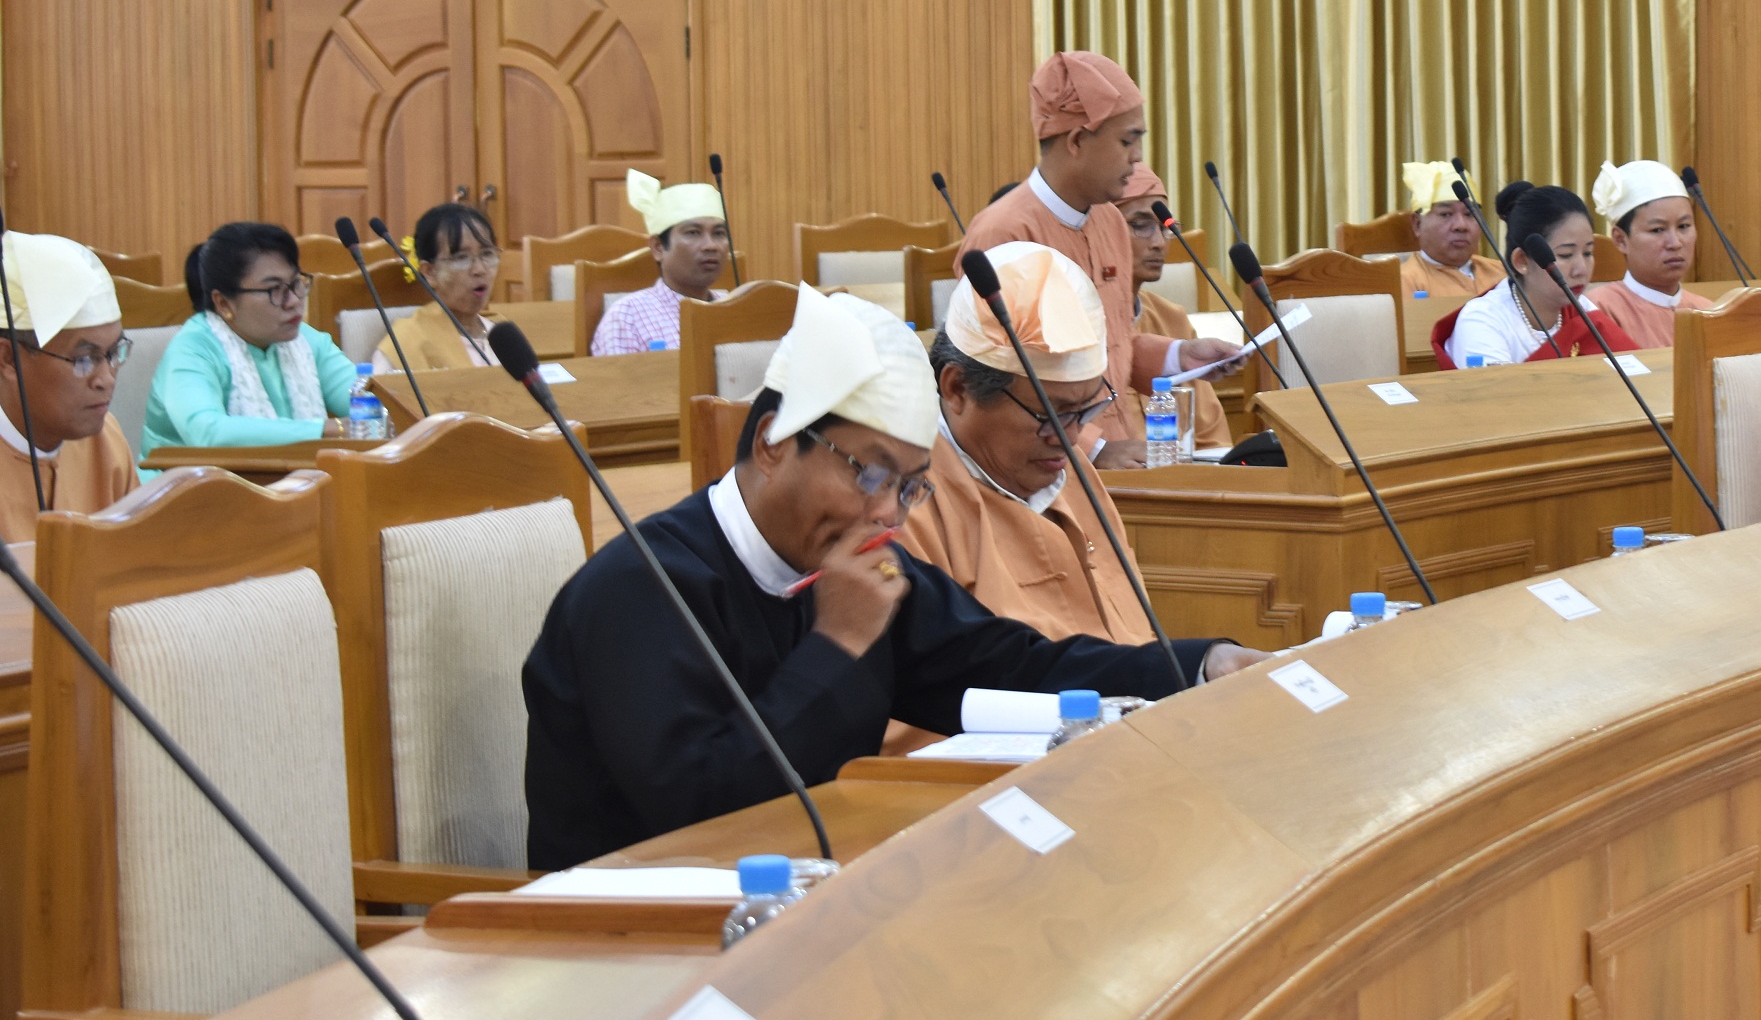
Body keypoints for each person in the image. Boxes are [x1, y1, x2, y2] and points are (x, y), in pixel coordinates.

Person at [522, 285, 1264, 867]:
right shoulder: (639, 591)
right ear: (775, 443)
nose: (887, 514)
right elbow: (702, 814)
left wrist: (1200, 667)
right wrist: (837, 644)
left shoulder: (860, 567)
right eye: (870, 474)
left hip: (821, 900)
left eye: (910, 487)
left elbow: (1012, 669)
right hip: (628, 942)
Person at [957, 53, 1242, 429]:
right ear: (1076, 141)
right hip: (1053, 458)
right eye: (1127, 141)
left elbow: (1111, 346)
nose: (1137, 158)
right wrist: (1098, 448)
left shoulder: (1109, 221)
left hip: (1123, 447)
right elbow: (998, 385)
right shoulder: (1004, 233)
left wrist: (1179, 355)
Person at [905, 240, 1161, 642]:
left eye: (1085, 410)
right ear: (957, 389)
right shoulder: (908, 507)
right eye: (1050, 415)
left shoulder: (1073, 471)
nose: (1070, 438)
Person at [142, 223, 358, 457]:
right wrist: (324, 430)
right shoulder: (193, 349)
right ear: (224, 303)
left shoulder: (304, 340)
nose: (294, 300)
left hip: (293, 476)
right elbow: (209, 434)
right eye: (274, 290)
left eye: (296, 283)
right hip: (184, 478)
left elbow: (365, 401)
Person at [0, 233, 139, 540]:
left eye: (114, 353)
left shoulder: (106, 439)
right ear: (7, 358)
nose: (106, 379)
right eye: (84, 359)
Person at [1441, 183, 1634, 368]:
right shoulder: (1481, 321)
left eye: (1588, 253)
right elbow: (1498, 390)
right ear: (1522, 261)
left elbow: (1634, 371)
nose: (1581, 269)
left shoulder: (1583, 309)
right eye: (1565, 255)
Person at [1112, 166, 1231, 452]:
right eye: (1141, 225)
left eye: (1164, 227)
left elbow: (1212, 439)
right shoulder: (1076, 320)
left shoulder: (1172, 318)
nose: (1158, 243)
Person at [590, 169, 731, 356]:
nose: (711, 246)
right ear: (658, 247)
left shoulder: (734, 308)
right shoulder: (627, 318)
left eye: (718, 233)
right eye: (693, 233)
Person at [1581, 160, 1713, 347]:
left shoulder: (1709, 311)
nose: (1675, 243)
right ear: (1620, 239)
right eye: (1657, 230)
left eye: (1684, 226)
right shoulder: (1598, 310)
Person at [371, 203, 503, 372]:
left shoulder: (503, 334)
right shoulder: (407, 342)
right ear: (430, 272)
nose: (479, 269)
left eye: (487, 254)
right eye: (462, 258)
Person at [1396, 161, 1502, 300]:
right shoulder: (1403, 283)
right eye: (1446, 214)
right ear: (1417, 224)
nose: (1461, 225)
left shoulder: (1504, 274)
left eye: (1469, 214)